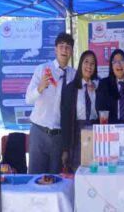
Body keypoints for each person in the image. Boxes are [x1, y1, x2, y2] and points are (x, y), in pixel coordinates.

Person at [25, 32, 76, 174]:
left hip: (59, 136)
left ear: (72, 51)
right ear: (55, 49)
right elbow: (28, 98)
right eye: (61, 46)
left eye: (68, 47)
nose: (64, 50)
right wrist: (40, 87)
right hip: (39, 132)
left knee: (54, 181)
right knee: (35, 179)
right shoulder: (43, 69)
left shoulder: (74, 74)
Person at [61, 50, 99, 170]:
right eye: (86, 62)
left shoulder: (99, 87)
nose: (89, 66)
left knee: (95, 171)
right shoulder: (70, 89)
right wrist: (65, 148)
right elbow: (65, 120)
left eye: (92, 63)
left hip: (96, 134)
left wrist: (97, 89)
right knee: (78, 173)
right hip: (76, 135)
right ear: (80, 64)